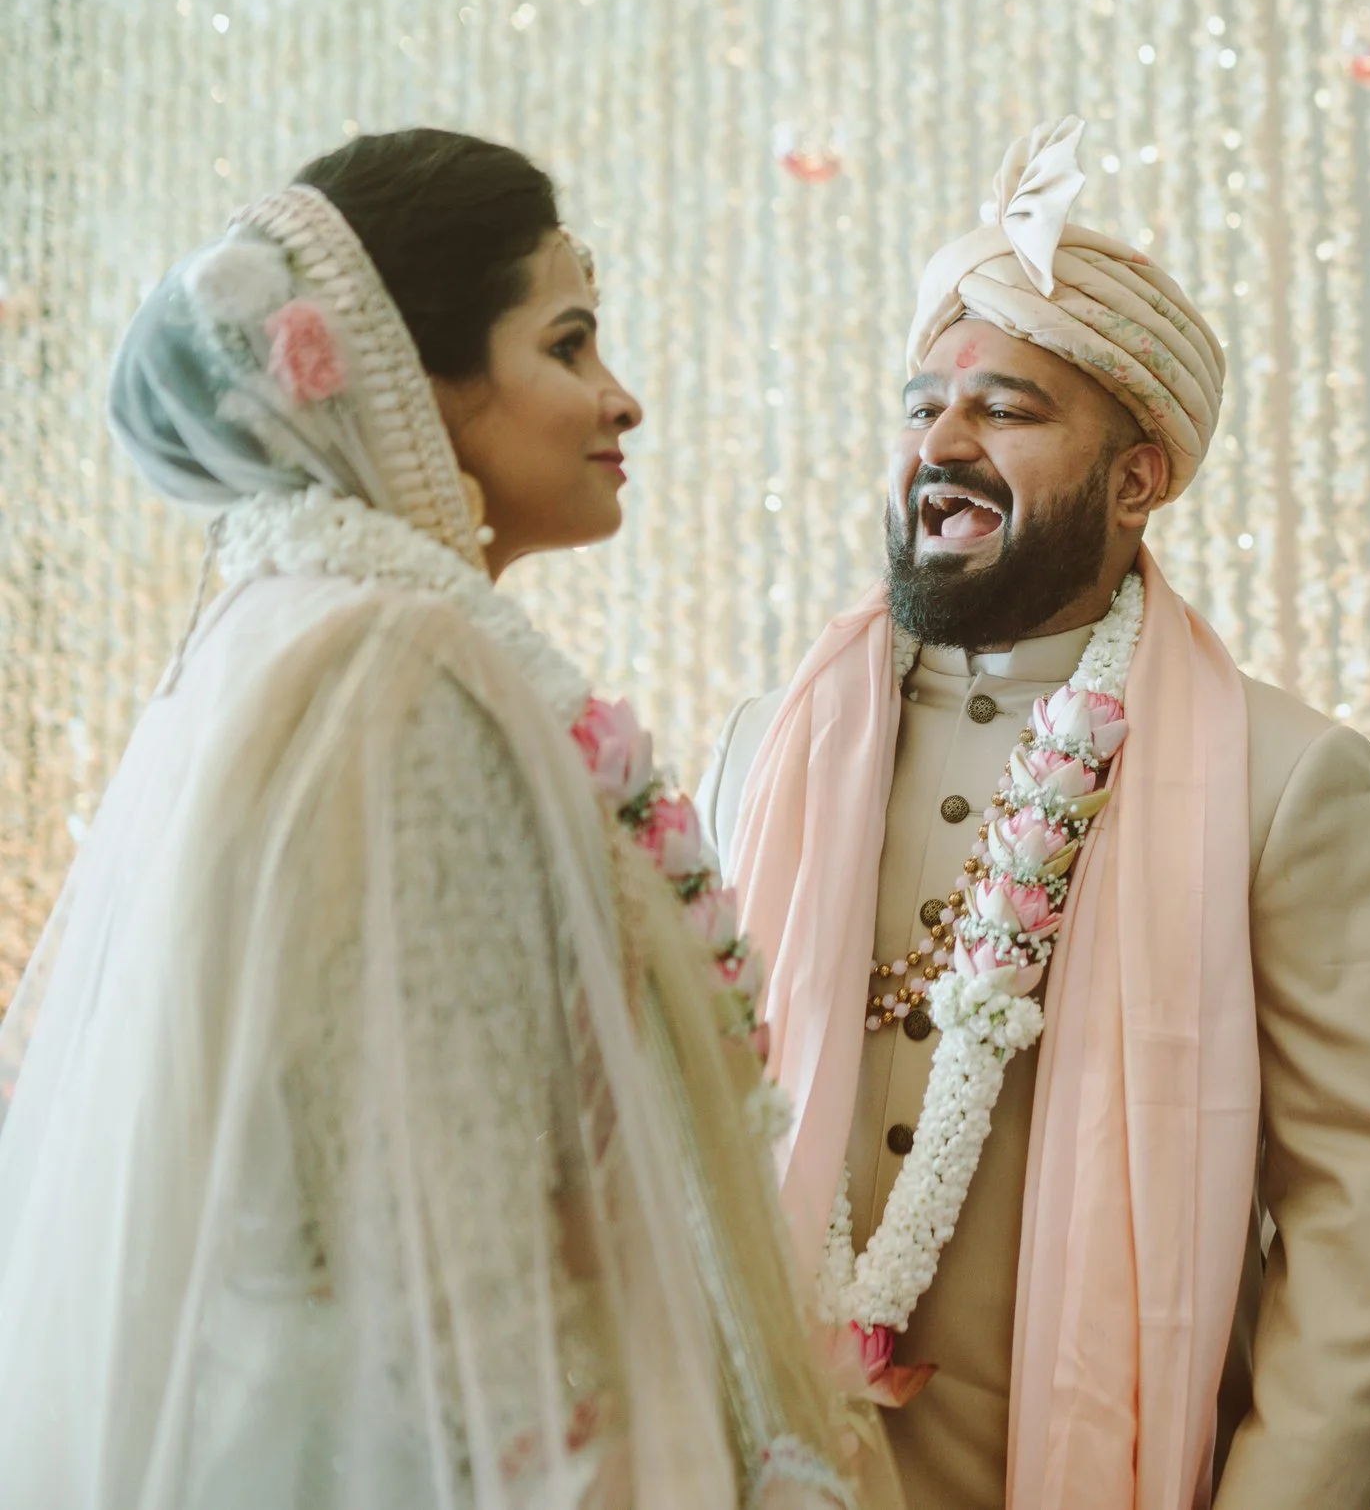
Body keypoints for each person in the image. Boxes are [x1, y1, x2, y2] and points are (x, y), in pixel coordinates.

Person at [0, 130, 899, 1509]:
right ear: (410, 388)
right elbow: (451, 1233)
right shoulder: (405, 676)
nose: (624, 400)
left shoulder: (300, 627)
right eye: (572, 341)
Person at [700, 117, 1370, 1509]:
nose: (944, 443)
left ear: (1139, 476)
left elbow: (1355, 1197)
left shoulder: (1288, 779)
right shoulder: (761, 753)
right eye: (922, 407)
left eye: (1008, 411)